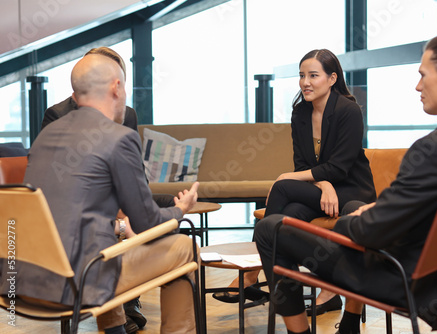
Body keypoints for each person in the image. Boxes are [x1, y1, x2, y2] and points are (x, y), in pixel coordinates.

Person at [254, 22, 437, 334]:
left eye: (423, 75)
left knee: (270, 229)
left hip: (405, 279)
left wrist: (353, 217)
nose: (418, 86)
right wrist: (376, 210)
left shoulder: (433, 149)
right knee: (289, 219)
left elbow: (372, 233)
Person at [5, 53, 200, 334]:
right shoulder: (119, 137)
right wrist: (181, 209)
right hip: (78, 283)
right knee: (184, 248)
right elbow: (148, 222)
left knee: (107, 239)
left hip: (20, 282)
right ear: (116, 87)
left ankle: (115, 331)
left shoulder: (46, 134)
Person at [214, 49, 376, 315]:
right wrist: (323, 185)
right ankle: (290, 294)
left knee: (282, 186)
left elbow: (338, 167)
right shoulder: (300, 112)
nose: (305, 82)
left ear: (332, 78)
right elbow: (304, 165)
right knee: (287, 215)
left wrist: (287, 177)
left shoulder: (349, 111)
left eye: (313, 75)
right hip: (324, 190)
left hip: (352, 190)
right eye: (302, 75)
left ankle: (253, 274)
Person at [40, 46, 171, 333]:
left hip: (109, 208)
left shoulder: (127, 114)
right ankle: (125, 307)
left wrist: (129, 214)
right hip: (83, 220)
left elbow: (133, 174)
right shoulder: (57, 115)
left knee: (157, 218)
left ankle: (127, 305)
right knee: (172, 245)